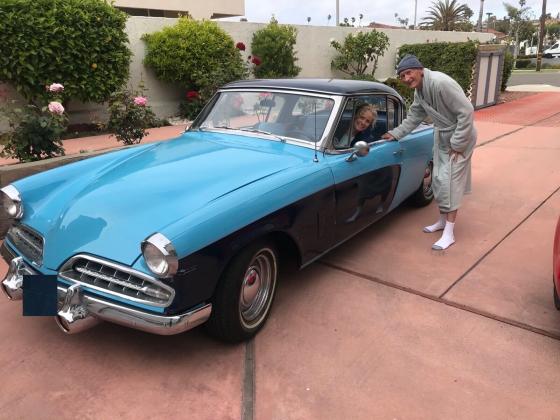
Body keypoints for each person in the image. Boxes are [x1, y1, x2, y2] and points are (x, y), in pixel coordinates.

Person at [382, 54, 477, 250]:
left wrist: (458, 145)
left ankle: (449, 233)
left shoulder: (441, 83)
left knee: (450, 182)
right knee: (438, 179)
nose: (406, 78)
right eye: (402, 76)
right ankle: (442, 221)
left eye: (409, 73)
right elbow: (414, 116)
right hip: (442, 136)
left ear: (420, 69)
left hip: (460, 138)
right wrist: (396, 133)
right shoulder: (420, 92)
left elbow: (466, 111)